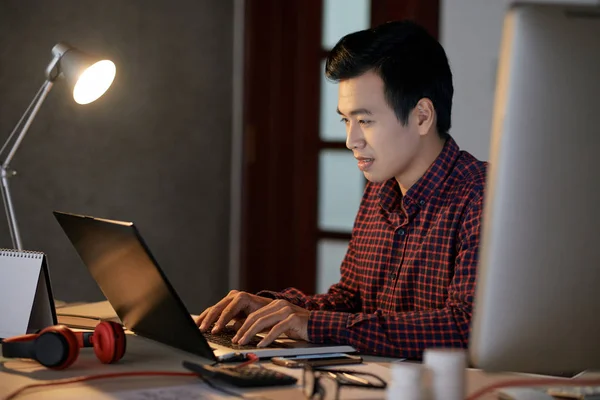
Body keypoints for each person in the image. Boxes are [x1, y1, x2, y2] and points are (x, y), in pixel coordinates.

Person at [196, 20, 487, 359]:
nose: (352, 140)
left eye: (365, 120)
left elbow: (465, 327)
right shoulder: (380, 192)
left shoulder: (483, 196)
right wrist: (278, 307)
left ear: (422, 116)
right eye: (346, 121)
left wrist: (313, 325)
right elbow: (349, 301)